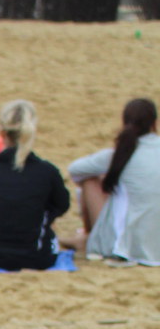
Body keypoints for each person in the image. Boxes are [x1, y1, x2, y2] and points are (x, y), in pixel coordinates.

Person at [0, 100, 69, 270]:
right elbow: (62, 205)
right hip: (38, 258)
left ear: (1, 133)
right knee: (40, 220)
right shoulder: (47, 171)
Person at [69, 97, 160, 265]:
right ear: (155, 123)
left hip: (127, 246)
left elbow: (75, 169)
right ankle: (86, 237)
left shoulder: (120, 154)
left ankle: (89, 236)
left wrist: (109, 174)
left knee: (90, 180)